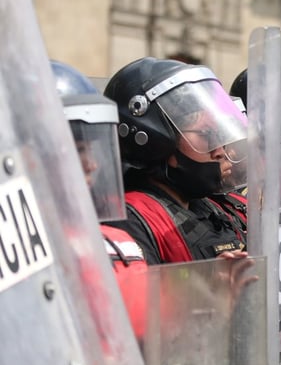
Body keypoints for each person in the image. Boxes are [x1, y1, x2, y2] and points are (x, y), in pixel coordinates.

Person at [103, 56, 250, 264]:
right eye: (205, 135)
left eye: (220, 135)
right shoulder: (132, 221)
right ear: (156, 142)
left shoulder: (214, 208)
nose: (220, 151)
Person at [51, 59, 149, 340]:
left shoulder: (118, 243)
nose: (93, 165)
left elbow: (155, 335)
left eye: (93, 150)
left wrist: (220, 299)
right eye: (79, 149)